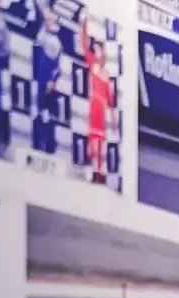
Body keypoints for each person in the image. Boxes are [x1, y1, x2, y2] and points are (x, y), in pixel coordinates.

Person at [79, 16, 111, 184]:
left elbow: (109, 98)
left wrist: (111, 116)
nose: (97, 52)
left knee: (100, 144)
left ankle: (100, 172)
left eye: (100, 50)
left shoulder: (106, 74)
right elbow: (84, 45)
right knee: (92, 142)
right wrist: (83, 26)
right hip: (93, 107)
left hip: (101, 110)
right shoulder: (92, 64)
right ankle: (93, 171)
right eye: (96, 49)